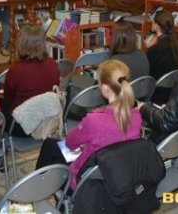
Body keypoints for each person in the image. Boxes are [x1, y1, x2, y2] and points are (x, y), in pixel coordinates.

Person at [35, 59, 142, 190]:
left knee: (50, 145)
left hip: (84, 183)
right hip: (117, 175)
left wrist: (84, 143)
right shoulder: (137, 116)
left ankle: (40, 186)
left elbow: (70, 143)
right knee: (52, 145)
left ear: (104, 88)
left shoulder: (94, 120)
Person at [4, 24, 60, 135]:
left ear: (20, 44)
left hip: (21, 127)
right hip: (47, 121)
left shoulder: (15, 71)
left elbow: (8, 100)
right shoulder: (53, 64)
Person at [146, 10, 178, 104]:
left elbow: (148, 75)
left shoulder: (156, 49)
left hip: (157, 94)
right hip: (175, 91)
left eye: (153, 22)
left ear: (156, 25)